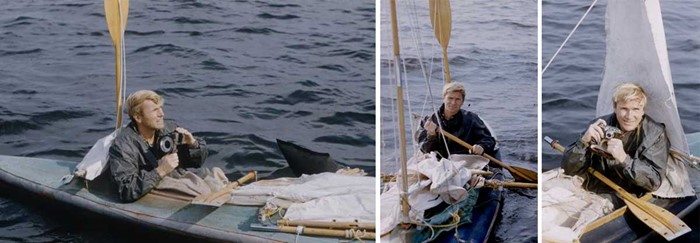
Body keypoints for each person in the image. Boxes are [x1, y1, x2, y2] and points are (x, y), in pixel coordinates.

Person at [562, 83, 668, 197]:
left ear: (643, 111)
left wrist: (624, 159)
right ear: (615, 107)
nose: (629, 116)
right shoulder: (599, 125)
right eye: (624, 109)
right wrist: (583, 143)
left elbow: (653, 182)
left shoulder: (655, 134)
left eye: (635, 109)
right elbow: (569, 170)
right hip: (594, 184)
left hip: (627, 192)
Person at [108, 90, 208, 202]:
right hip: (154, 193)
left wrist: (193, 145)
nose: (162, 114)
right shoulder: (123, 145)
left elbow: (196, 163)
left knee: (213, 176)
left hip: (180, 181)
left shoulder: (169, 129)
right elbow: (126, 190)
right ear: (138, 118)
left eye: (161, 108)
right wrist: (160, 171)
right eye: (155, 110)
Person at [416, 82, 497, 159]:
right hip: (439, 161)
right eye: (450, 98)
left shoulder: (471, 119)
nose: (453, 102)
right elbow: (425, 150)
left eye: (457, 99)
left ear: (462, 102)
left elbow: (488, 140)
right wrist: (431, 135)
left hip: (465, 160)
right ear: (444, 99)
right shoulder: (430, 121)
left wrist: (481, 146)